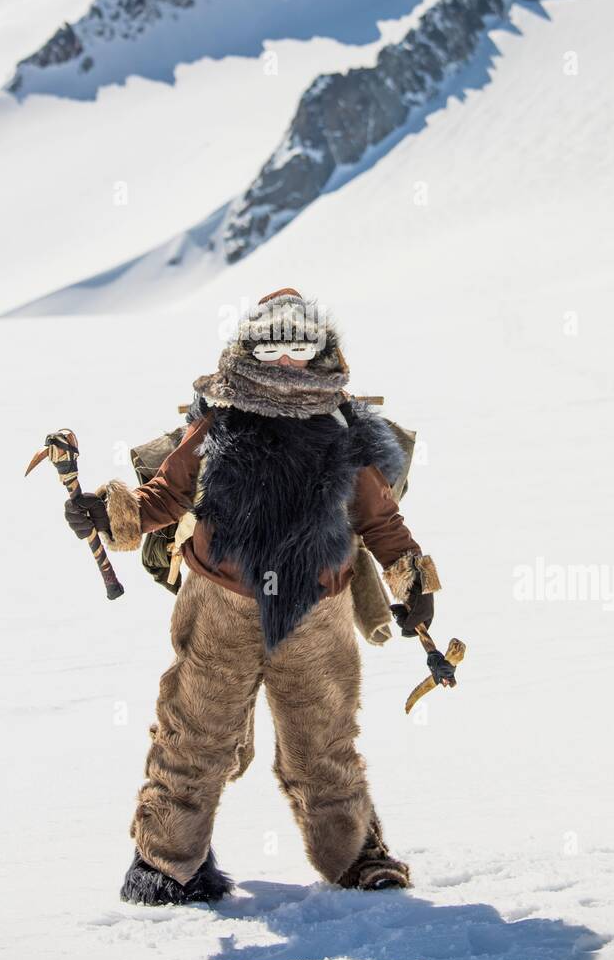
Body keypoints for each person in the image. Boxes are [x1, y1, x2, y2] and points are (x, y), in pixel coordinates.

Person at [65, 289, 446, 904]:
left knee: (324, 740)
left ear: (322, 349)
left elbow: (380, 520)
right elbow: (165, 496)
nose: (288, 360)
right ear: (251, 349)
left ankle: (355, 858)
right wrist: (109, 514)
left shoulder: (346, 426)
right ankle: (167, 865)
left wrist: (412, 583)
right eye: (274, 345)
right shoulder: (219, 419)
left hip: (316, 612)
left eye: (301, 345)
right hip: (220, 606)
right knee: (194, 733)